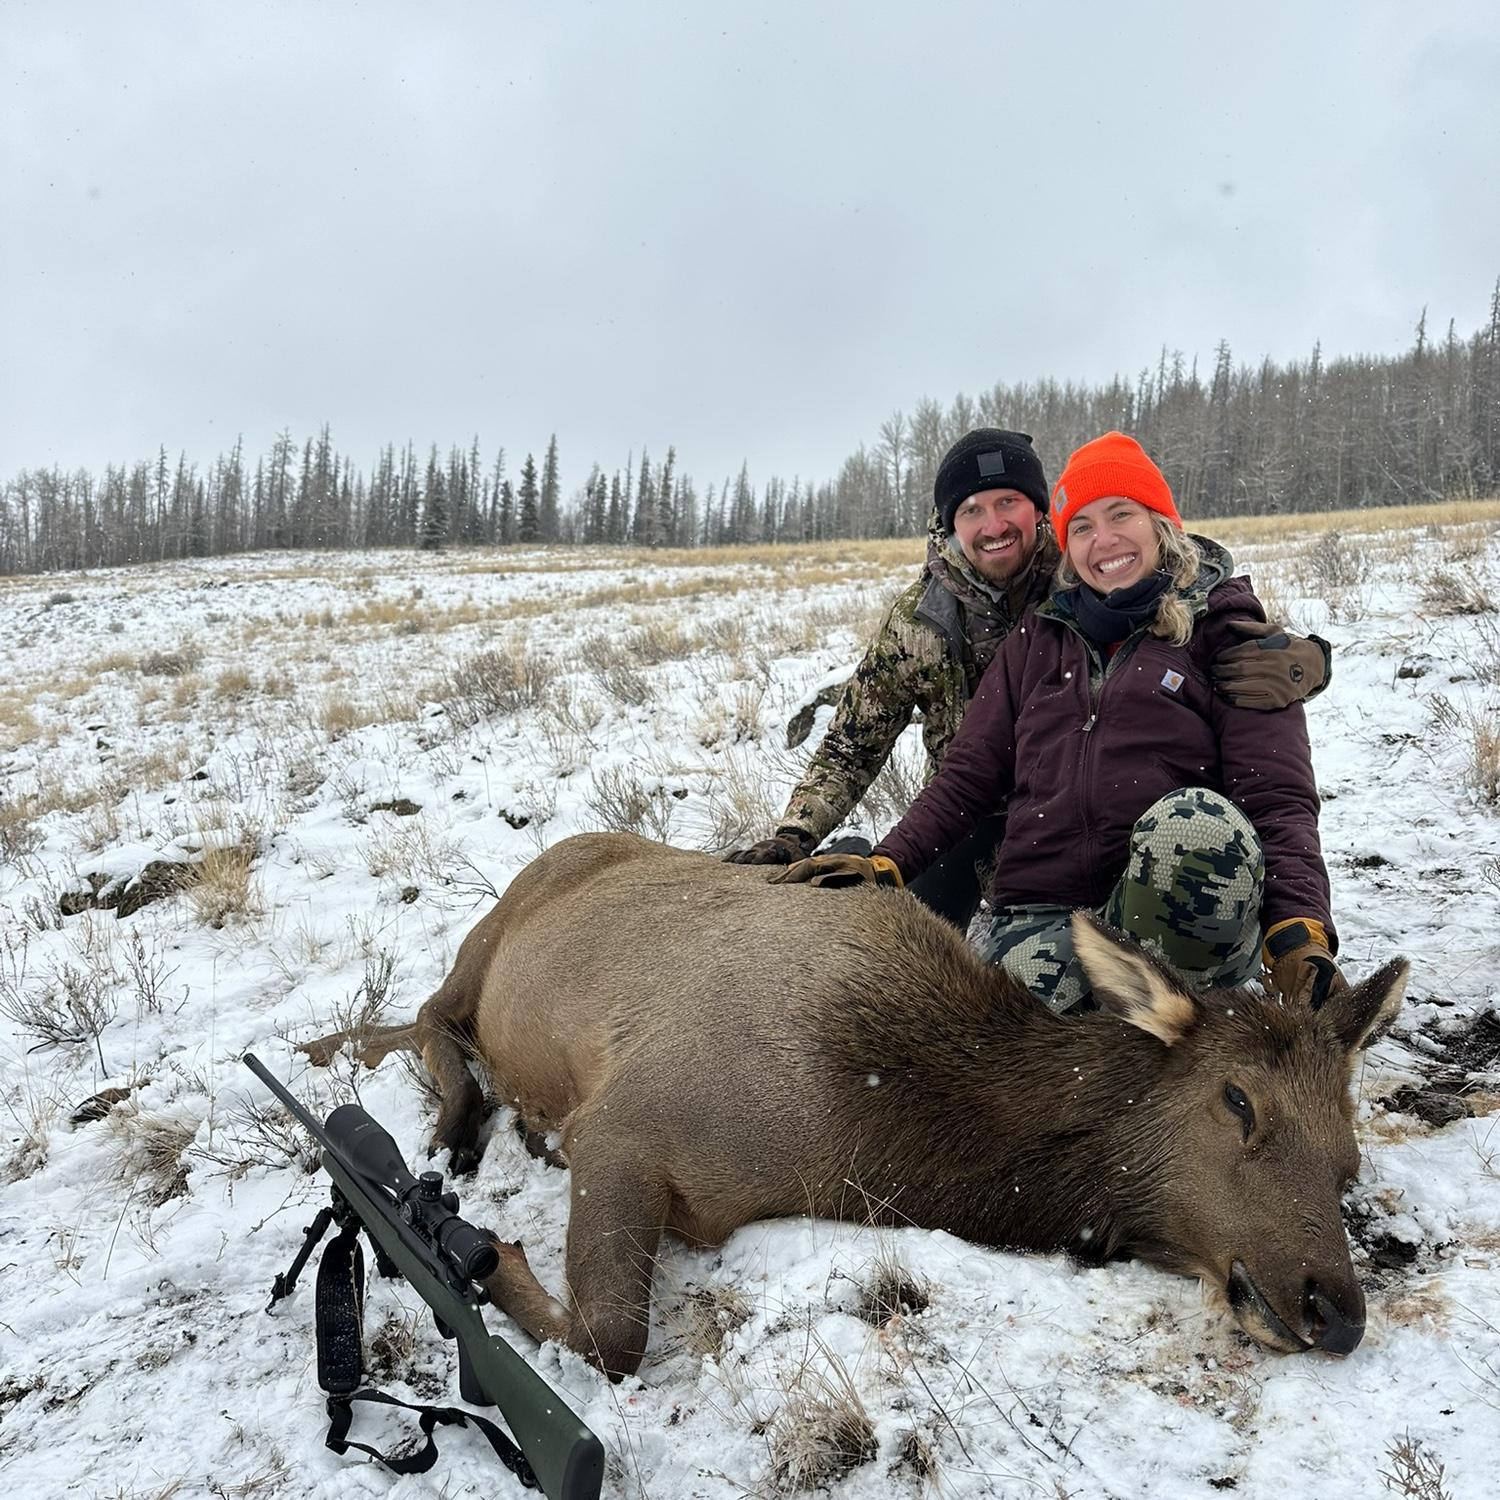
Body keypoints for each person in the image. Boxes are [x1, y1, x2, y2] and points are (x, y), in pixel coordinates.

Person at [775, 431, 1344, 1013]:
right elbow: (935, 768)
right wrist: (872, 857)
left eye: (1122, 513)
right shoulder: (983, 627)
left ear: (1160, 524)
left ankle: (1165, 1018)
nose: (1104, 540)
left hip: (1156, 874)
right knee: (976, 1034)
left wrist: (1299, 932)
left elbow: (1276, 796)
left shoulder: (1212, 626)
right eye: (971, 510)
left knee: (1196, 826)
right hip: (1022, 856)